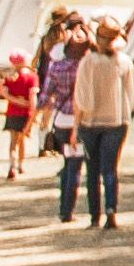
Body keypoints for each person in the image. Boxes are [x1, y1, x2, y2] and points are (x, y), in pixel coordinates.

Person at [73, 19, 134, 230]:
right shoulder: (124, 62)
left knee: (92, 170)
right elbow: (130, 95)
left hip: (90, 122)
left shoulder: (88, 62)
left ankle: (94, 215)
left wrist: (76, 125)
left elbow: (80, 98)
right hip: (116, 121)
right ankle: (111, 208)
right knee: (110, 169)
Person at [42, 14, 89, 220]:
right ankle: (68, 210)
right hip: (79, 122)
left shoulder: (56, 67)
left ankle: (64, 207)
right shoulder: (85, 68)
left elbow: (45, 96)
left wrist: (39, 117)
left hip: (61, 119)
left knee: (68, 162)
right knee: (74, 166)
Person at [0, 47, 38, 180]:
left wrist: (11, 98)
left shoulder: (10, 78)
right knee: (22, 140)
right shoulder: (32, 77)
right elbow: (33, 100)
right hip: (26, 114)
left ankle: (12, 165)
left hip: (12, 112)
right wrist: (31, 110)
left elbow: (1, 93)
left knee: (13, 142)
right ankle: (21, 164)